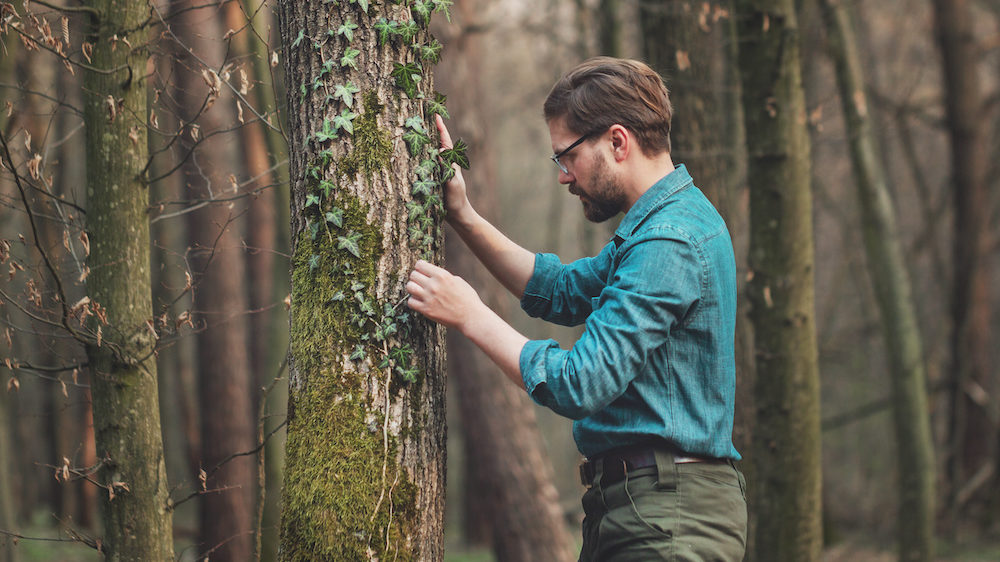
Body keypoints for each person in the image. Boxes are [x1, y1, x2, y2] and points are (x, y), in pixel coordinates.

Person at [405, 57, 747, 561]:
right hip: (643, 508)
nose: (564, 177)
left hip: (668, 521)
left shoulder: (668, 241)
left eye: (567, 156)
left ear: (617, 141)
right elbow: (563, 289)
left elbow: (581, 381)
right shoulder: (660, 226)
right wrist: (464, 216)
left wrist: (469, 314)